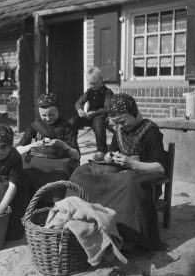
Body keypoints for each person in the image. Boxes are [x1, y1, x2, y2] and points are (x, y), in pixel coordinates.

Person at [67, 93, 168, 249]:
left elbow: (160, 168)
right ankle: (82, 219)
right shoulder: (120, 131)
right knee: (81, 172)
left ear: (133, 112)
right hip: (119, 175)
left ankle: (130, 235)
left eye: (122, 121)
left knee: (128, 182)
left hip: (139, 178)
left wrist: (133, 163)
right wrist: (107, 156)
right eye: (116, 123)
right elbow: (111, 151)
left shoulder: (151, 131)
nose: (120, 126)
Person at [16, 93, 80, 205]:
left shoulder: (67, 127)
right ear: (38, 113)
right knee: (20, 162)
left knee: (64, 168)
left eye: (51, 114)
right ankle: (30, 198)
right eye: (43, 115)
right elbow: (17, 150)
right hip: (39, 159)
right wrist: (33, 145)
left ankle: (55, 202)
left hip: (59, 161)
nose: (47, 118)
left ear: (58, 111)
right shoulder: (34, 126)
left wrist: (63, 145)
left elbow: (76, 155)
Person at [69, 67, 114, 153]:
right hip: (89, 116)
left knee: (98, 124)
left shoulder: (107, 92)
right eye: (90, 84)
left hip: (101, 117)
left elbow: (108, 108)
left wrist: (95, 112)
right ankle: (72, 147)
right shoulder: (90, 91)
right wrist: (79, 110)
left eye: (94, 83)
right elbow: (78, 103)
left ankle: (101, 151)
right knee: (72, 121)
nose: (92, 86)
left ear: (101, 80)